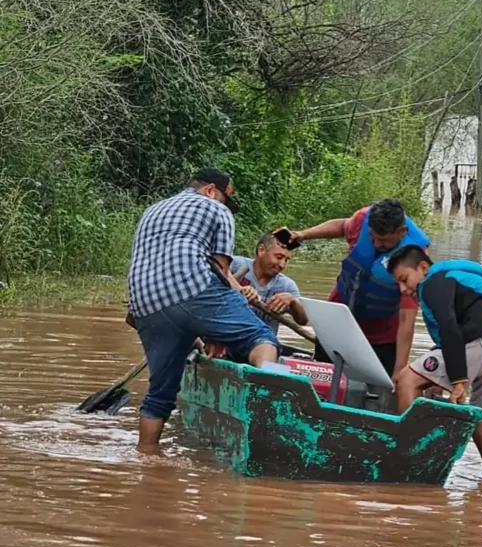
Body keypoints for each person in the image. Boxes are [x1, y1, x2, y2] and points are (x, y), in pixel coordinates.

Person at [127, 168, 281, 454]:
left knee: (161, 393)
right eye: (224, 199)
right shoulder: (215, 208)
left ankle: (146, 457)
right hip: (191, 290)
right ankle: (267, 409)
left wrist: (210, 327)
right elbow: (222, 273)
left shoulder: (152, 210)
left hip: (144, 304)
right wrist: (216, 324)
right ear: (211, 190)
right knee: (261, 337)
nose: (225, 206)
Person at [386, 245, 482, 479]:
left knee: (407, 379)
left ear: (422, 268)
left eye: (404, 279)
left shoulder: (433, 281)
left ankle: (410, 461)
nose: (403, 289)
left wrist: (458, 380)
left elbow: (449, 327)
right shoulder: (459, 278)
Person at [289, 199, 429, 381]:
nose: (377, 244)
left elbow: (407, 319)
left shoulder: (414, 260)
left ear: (402, 232)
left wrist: (399, 369)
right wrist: (303, 235)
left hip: (381, 337)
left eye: (384, 241)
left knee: (374, 391)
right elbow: (342, 226)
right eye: (372, 237)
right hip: (337, 322)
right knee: (321, 381)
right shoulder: (362, 218)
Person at [230, 231, 309, 336]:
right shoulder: (235, 265)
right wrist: (239, 289)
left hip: (264, 342)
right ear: (261, 250)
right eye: (279, 257)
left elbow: (303, 320)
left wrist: (293, 301)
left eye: (286, 260)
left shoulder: (287, 285)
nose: (282, 265)